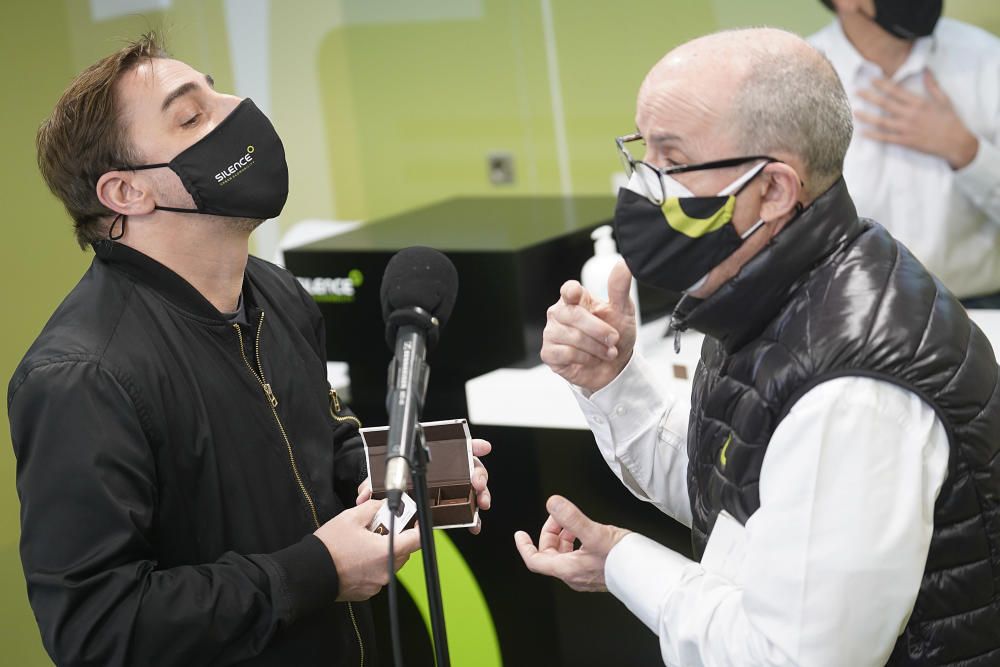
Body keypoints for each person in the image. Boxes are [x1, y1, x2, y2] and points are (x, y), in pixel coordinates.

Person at [515, 27, 1000, 666]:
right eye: (640, 152)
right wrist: (612, 378)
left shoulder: (853, 390)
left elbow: (788, 657)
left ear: (772, 190)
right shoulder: (776, 287)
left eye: (671, 160)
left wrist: (624, 562)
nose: (642, 188)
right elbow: (737, 493)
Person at [8, 34, 491, 666]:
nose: (235, 107)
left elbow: (316, 441)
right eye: (192, 115)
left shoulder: (276, 292)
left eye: (216, 89)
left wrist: (404, 472)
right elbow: (98, 628)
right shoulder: (82, 376)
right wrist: (317, 571)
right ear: (127, 193)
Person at [810, 0, 1000, 307]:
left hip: (981, 310)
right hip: (853, 316)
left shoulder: (989, 62)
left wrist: (967, 151)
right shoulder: (803, 79)